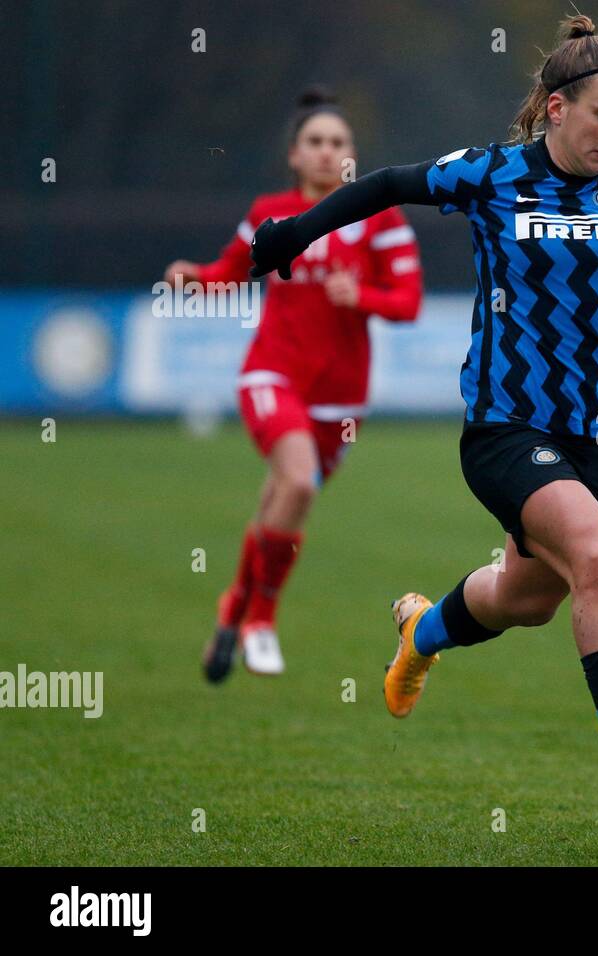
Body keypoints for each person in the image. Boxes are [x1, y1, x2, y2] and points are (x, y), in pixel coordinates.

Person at [246, 15, 598, 828]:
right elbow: (388, 185)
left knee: (528, 597)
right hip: (506, 426)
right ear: (555, 108)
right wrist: (297, 232)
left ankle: (422, 634)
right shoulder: (493, 175)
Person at [165, 87, 424, 680]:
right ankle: (261, 619)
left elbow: (409, 302)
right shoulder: (270, 212)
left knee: (278, 503)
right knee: (297, 482)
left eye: (339, 142)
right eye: (315, 142)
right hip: (272, 374)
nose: (327, 152)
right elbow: (230, 271)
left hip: (342, 399)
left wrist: (363, 295)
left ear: (352, 154)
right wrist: (193, 279)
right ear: (294, 154)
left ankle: (232, 607)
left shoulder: (379, 218)